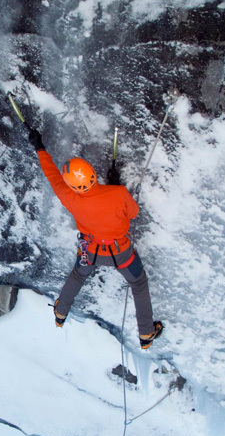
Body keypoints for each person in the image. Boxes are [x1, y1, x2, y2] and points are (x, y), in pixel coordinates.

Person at [28, 127, 162, 349]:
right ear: (92, 174)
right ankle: (146, 334)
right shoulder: (118, 194)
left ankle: (60, 313)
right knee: (138, 283)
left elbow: (52, 175)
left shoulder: (69, 197)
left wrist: (39, 148)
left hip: (89, 253)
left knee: (78, 276)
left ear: (73, 185)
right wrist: (114, 187)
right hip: (121, 254)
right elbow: (134, 213)